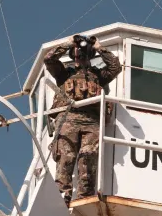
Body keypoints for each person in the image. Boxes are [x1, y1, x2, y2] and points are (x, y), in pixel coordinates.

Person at [44, 34, 121, 205]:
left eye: (83, 54)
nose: (79, 58)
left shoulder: (98, 75)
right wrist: (68, 43)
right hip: (69, 119)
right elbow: (49, 59)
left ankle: (85, 197)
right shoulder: (64, 73)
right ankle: (61, 196)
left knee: (89, 157)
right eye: (77, 55)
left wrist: (99, 48)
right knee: (66, 156)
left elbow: (115, 67)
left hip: (91, 121)